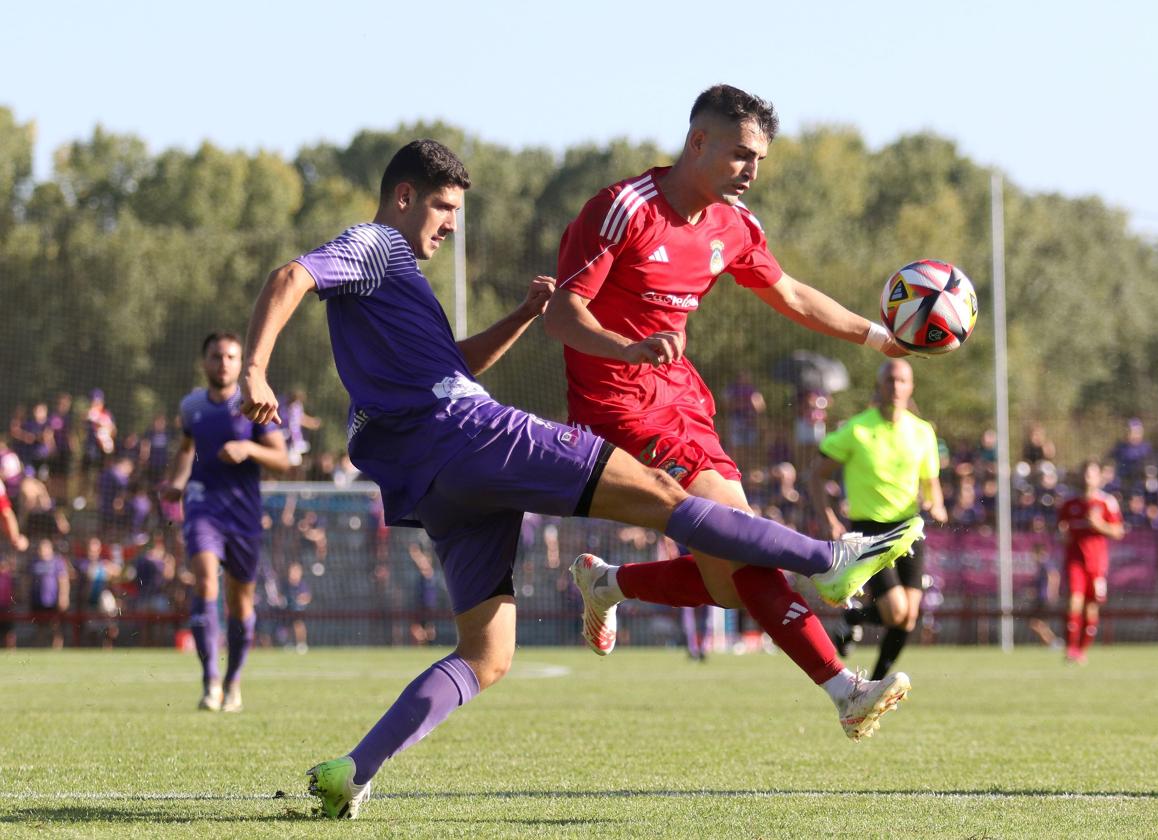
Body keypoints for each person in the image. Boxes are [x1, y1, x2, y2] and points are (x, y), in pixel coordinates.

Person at [237, 139, 923, 819]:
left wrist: (523, 316)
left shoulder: (394, 284)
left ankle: (351, 771)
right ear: (405, 196)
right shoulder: (378, 245)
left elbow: (453, 363)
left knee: (487, 652)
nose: (450, 224)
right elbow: (292, 275)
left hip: (435, 480)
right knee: (664, 495)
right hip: (472, 436)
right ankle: (826, 561)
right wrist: (254, 370)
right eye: (443, 207)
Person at [545, 83, 918, 722]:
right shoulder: (623, 208)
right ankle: (833, 618)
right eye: (742, 154)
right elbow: (561, 314)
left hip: (683, 397)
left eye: (760, 161)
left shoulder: (734, 226)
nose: (751, 172)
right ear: (698, 142)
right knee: (739, 547)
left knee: (728, 579)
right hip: (617, 401)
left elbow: (793, 295)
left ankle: (607, 582)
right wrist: (627, 349)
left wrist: (876, 336)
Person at [161, 331, 289, 713]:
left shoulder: (253, 404)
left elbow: (284, 459)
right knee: (203, 581)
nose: (224, 363)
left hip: (244, 515)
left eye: (232, 357)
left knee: (241, 602)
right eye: (217, 356)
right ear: (205, 362)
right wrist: (178, 483)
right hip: (203, 508)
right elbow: (186, 450)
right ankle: (209, 683)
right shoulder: (191, 406)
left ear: (240, 362)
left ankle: (233, 681)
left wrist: (248, 447)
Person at [810, 359, 947, 680]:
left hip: (910, 529)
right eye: (890, 380)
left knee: (908, 618)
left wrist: (936, 504)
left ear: (911, 387)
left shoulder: (922, 431)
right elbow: (816, 476)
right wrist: (828, 517)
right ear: (879, 385)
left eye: (902, 381)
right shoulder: (857, 429)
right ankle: (861, 649)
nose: (896, 387)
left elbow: (931, 484)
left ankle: (872, 679)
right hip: (870, 531)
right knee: (897, 610)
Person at [1057, 459, 1125, 664]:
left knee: (1092, 607)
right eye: (1085, 473)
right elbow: (1061, 531)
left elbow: (1118, 531)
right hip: (1075, 561)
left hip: (1097, 563)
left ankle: (1082, 650)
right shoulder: (1069, 504)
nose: (1088, 477)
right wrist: (1062, 536)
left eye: (1092, 473)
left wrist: (1100, 525)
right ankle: (1071, 649)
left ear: (1099, 477)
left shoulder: (1107, 502)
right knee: (1074, 601)